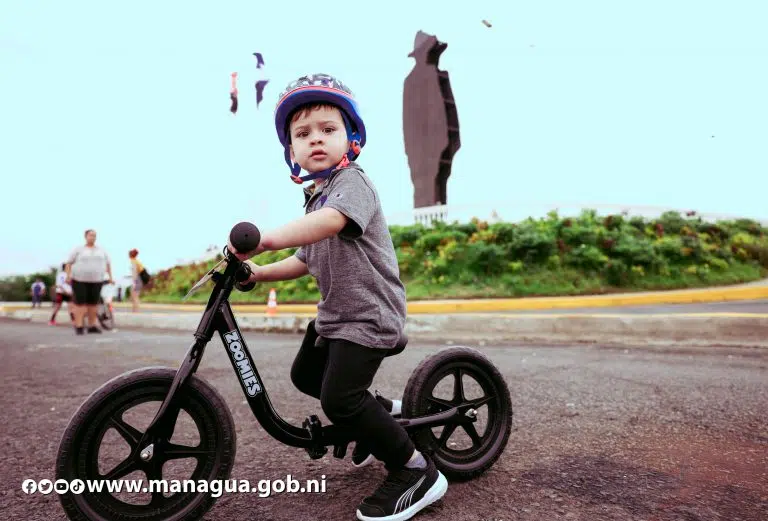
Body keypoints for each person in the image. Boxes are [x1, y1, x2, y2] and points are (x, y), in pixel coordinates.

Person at [227, 74, 447, 521]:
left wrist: (264, 239)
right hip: (338, 316)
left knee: (340, 400)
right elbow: (304, 259)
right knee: (307, 376)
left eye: (328, 129)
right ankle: (380, 417)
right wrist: (259, 273)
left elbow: (332, 222)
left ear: (351, 138)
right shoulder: (316, 200)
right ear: (291, 150)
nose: (316, 139)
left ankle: (415, 471)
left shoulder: (352, 185)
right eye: (303, 133)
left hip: (369, 315)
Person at [65, 229, 113, 335]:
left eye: (94, 235)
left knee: (93, 304)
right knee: (80, 304)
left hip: (97, 280)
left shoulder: (101, 250)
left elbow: (108, 264)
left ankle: (92, 326)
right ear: (85, 237)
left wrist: (110, 277)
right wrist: (68, 276)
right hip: (79, 280)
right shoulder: (78, 249)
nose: (92, 237)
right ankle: (79, 326)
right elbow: (68, 263)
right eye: (90, 235)